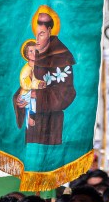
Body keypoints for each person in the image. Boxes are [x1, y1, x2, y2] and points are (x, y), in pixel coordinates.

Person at [25, 8, 76, 145]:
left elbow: (67, 93)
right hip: (31, 123)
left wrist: (37, 95)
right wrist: (20, 97)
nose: (37, 40)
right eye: (36, 35)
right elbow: (26, 84)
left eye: (41, 34)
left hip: (51, 124)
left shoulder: (62, 56)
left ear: (49, 31)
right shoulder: (34, 55)